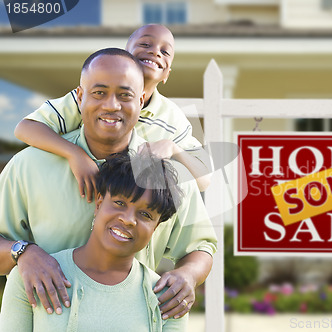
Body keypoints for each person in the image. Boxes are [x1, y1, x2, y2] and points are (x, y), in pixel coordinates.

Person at [0, 48, 216, 321]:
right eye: (99, 92)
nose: (112, 105)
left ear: (141, 100)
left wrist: (188, 275)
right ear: (80, 97)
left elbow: (200, 246)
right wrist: (23, 253)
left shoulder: (168, 177)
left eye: (125, 95)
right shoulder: (28, 166)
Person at [14, 24, 211, 200]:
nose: (155, 52)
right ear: (125, 55)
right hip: (73, 196)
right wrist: (75, 154)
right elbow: (25, 128)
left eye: (165, 51)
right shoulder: (91, 98)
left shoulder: (172, 118)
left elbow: (204, 180)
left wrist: (172, 148)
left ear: (167, 74)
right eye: (145, 44)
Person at [0, 152, 187, 331]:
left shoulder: (168, 298)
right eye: (120, 203)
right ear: (98, 204)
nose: (128, 219)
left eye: (146, 214)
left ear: (154, 228)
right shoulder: (32, 276)